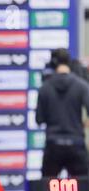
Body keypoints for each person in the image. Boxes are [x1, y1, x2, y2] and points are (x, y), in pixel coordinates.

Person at [36, 48, 89, 177]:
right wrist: (82, 124)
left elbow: (39, 119)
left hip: (53, 145)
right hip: (76, 144)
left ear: (53, 64)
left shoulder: (45, 88)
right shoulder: (81, 85)